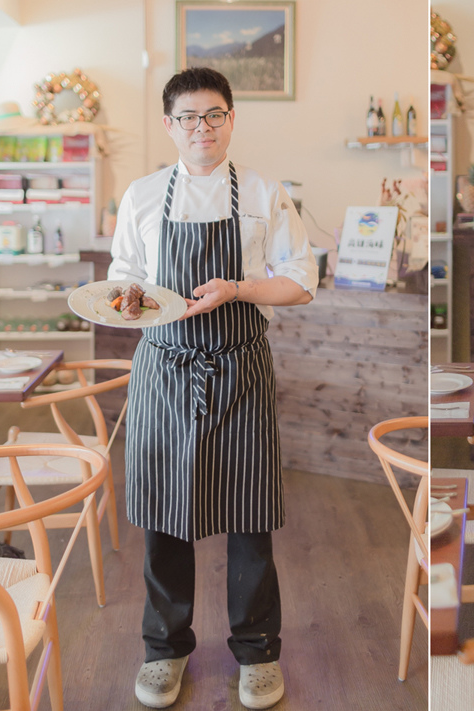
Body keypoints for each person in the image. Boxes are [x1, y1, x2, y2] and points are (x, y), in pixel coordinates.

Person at [108, 66, 318, 710]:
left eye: (215, 114)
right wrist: (129, 300)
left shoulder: (263, 192)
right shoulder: (142, 196)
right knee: (164, 518)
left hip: (240, 366)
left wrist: (237, 288)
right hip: (164, 372)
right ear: (169, 124)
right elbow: (123, 279)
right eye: (189, 117)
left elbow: (301, 281)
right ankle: (164, 650)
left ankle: (257, 652)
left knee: (251, 516)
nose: (202, 127)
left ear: (232, 118)